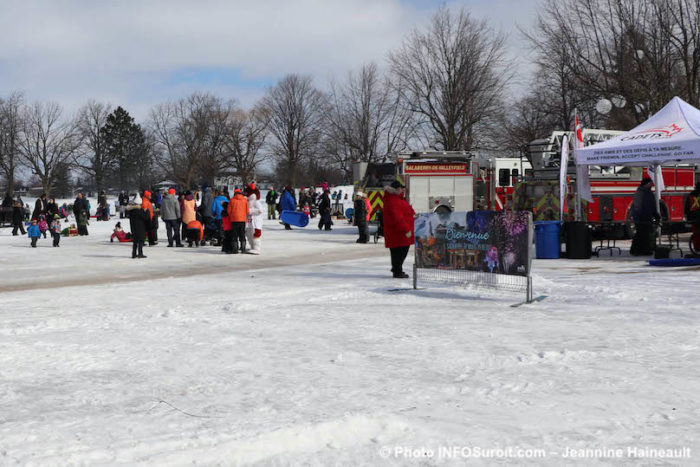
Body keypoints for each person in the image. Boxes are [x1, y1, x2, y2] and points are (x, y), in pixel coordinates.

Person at [383, 181, 415, 278]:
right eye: (401, 188)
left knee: (398, 251)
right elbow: (397, 218)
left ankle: (397, 269)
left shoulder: (397, 199)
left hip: (398, 232)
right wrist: (406, 230)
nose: (403, 190)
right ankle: (397, 270)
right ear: (397, 189)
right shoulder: (394, 201)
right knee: (400, 251)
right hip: (400, 233)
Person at [630, 177, 659, 256]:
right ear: (645, 184)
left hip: (647, 216)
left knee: (645, 234)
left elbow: (652, 205)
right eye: (649, 183)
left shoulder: (649, 193)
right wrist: (639, 215)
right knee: (641, 234)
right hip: (641, 217)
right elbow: (637, 205)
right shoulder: (640, 192)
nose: (651, 185)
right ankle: (637, 250)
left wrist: (655, 214)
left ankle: (644, 249)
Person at [228, 188, 249, 253]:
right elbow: (247, 211)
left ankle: (235, 249)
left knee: (235, 235)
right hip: (242, 219)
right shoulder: (245, 200)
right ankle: (243, 248)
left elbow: (229, 211)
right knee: (242, 234)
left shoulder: (231, 200)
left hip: (234, 219)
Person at [685, 181, 700, 252]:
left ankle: (696, 247)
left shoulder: (691, 194)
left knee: (695, 233)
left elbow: (687, 207)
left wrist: (688, 216)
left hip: (693, 217)